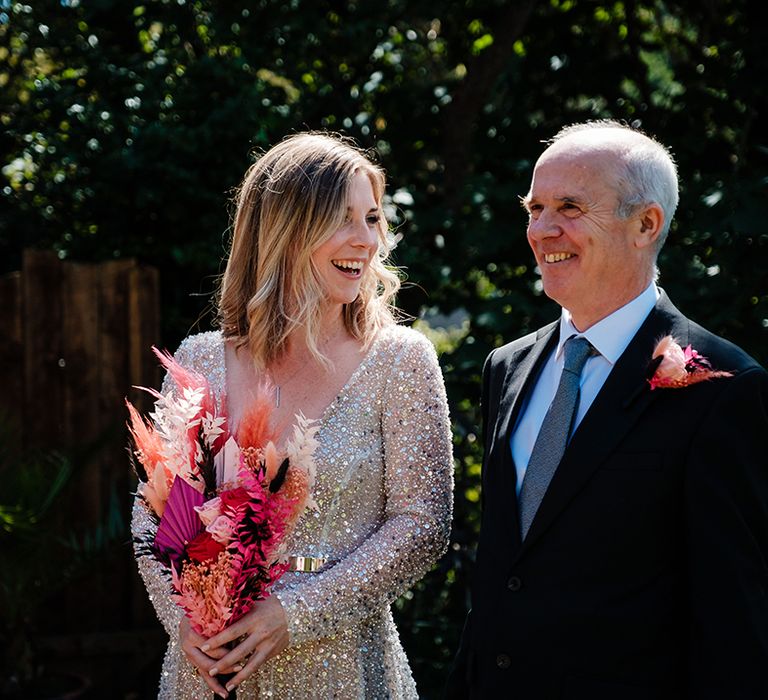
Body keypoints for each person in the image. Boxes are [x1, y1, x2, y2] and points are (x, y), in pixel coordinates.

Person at [447, 120, 768, 699]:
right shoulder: (507, 367)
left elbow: (734, 617)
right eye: (534, 207)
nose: (543, 229)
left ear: (647, 224)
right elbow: (503, 576)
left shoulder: (722, 387)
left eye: (569, 206)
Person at [131, 132, 454, 699]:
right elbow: (151, 517)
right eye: (342, 219)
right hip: (209, 670)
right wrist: (185, 620)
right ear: (283, 229)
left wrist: (295, 613)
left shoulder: (401, 359)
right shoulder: (201, 357)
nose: (366, 240)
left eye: (373, 218)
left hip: (345, 668)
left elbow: (422, 521)